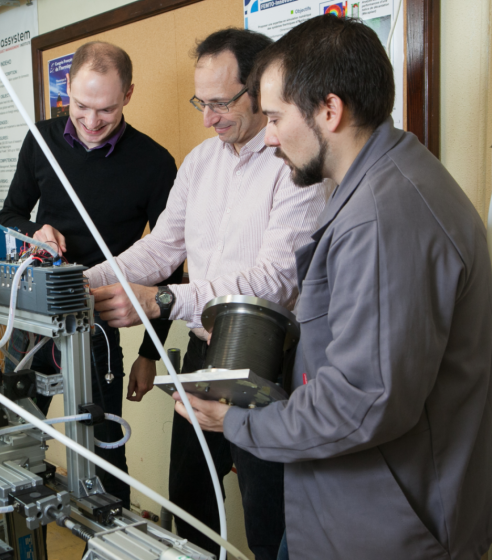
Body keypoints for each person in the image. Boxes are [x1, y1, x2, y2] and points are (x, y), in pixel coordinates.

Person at [183, 15, 492, 559]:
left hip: (389, 524)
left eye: (276, 117)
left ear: (330, 110)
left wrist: (237, 423)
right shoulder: (386, 179)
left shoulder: (382, 217)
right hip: (346, 505)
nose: (270, 135)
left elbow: (361, 401)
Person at [86, 29, 329, 560]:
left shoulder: (294, 165)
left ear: (260, 90)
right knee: (189, 500)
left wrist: (166, 301)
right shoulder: (199, 163)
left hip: (269, 362)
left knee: (269, 510)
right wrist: (91, 278)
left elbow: (273, 280)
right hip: (203, 353)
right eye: (202, 102)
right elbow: (161, 250)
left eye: (221, 103)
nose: (208, 117)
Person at [0, 41, 182, 508]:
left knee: (106, 451)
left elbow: (170, 262)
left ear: (129, 95)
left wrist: (148, 353)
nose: (92, 121)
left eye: (107, 109)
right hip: (33, 316)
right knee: (11, 438)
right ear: (66, 91)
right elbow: (10, 214)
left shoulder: (154, 162)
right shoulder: (40, 139)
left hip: (97, 327)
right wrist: (34, 231)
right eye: (81, 106)